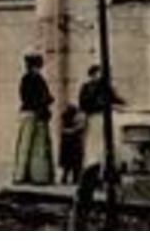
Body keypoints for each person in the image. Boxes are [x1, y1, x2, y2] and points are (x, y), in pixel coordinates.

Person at [71, 64, 126, 228]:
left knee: (105, 149)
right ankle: (95, 178)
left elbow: (115, 98)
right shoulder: (88, 88)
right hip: (95, 120)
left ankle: (104, 176)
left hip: (104, 121)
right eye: (98, 73)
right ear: (93, 74)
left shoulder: (105, 87)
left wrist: (120, 102)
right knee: (94, 150)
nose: (100, 76)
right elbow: (85, 104)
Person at [13, 52, 55, 185]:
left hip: (31, 112)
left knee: (29, 145)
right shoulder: (33, 79)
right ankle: (34, 176)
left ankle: (25, 175)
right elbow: (36, 97)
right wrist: (46, 100)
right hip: (34, 113)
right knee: (35, 145)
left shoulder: (29, 78)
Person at [58, 103, 85, 185]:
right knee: (75, 167)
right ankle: (74, 179)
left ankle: (65, 179)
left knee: (67, 167)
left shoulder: (64, 131)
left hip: (67, 151)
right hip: (74, 151)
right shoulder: (75, 131)